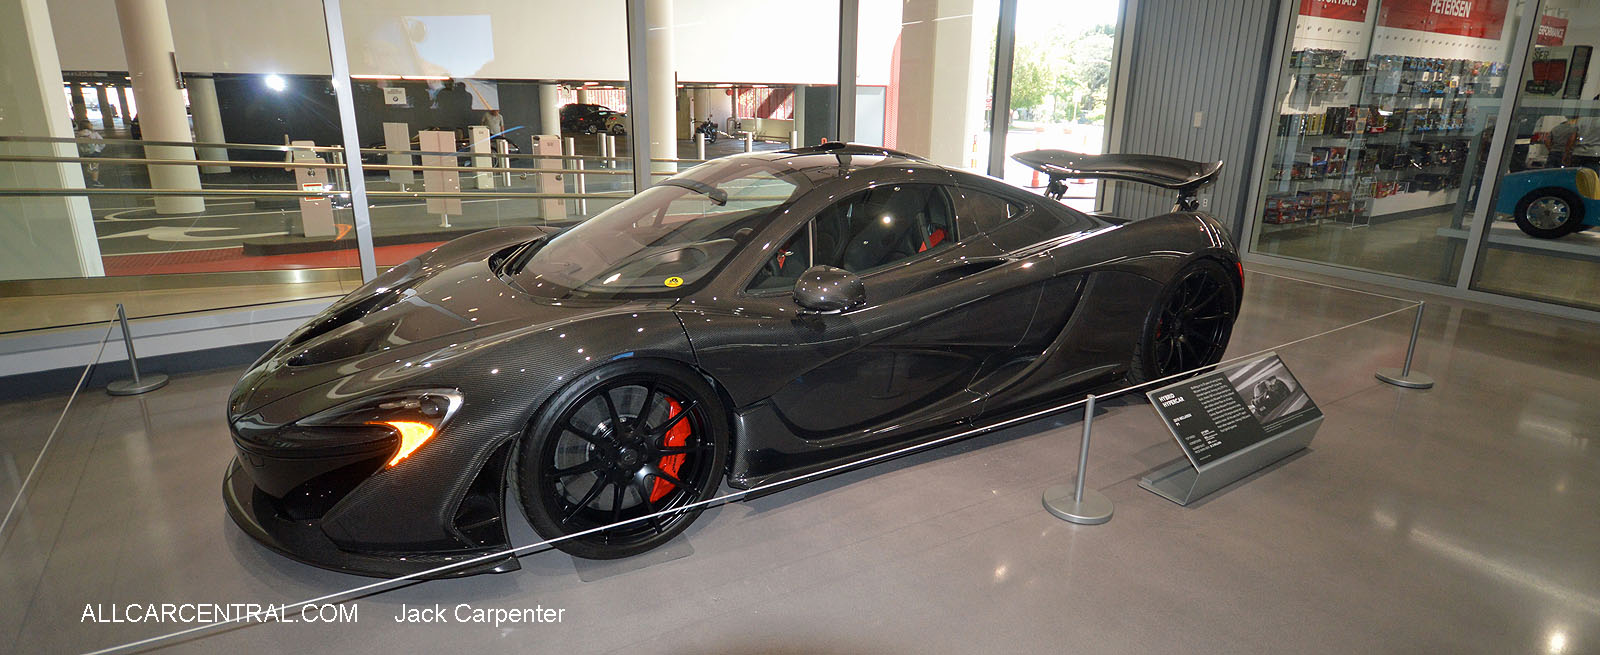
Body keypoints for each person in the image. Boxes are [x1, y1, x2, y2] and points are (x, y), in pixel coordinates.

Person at [75, 120, 105, 187]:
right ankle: (95, 181)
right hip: (95, 152)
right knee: (95, 167)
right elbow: (102, 142)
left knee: (89, 164)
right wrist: (99, 148)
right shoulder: (94, 134)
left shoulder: (79, 135)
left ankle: (88, 173)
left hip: (85, 153)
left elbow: (77, 145)